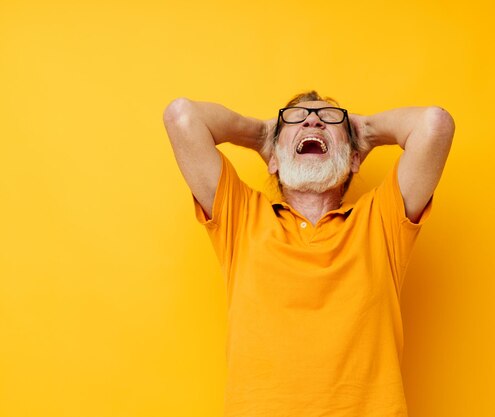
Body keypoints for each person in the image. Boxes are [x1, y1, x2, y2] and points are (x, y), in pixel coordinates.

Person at [163, 91, 454, 417]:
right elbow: (182, 117)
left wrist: (367, 131)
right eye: (296, 118)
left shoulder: (381, 221)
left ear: (354, 158)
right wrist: (260, 135)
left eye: (330, 118)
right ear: (272, 158)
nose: (312, 120)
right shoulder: (241, 217)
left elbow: (435, 125)